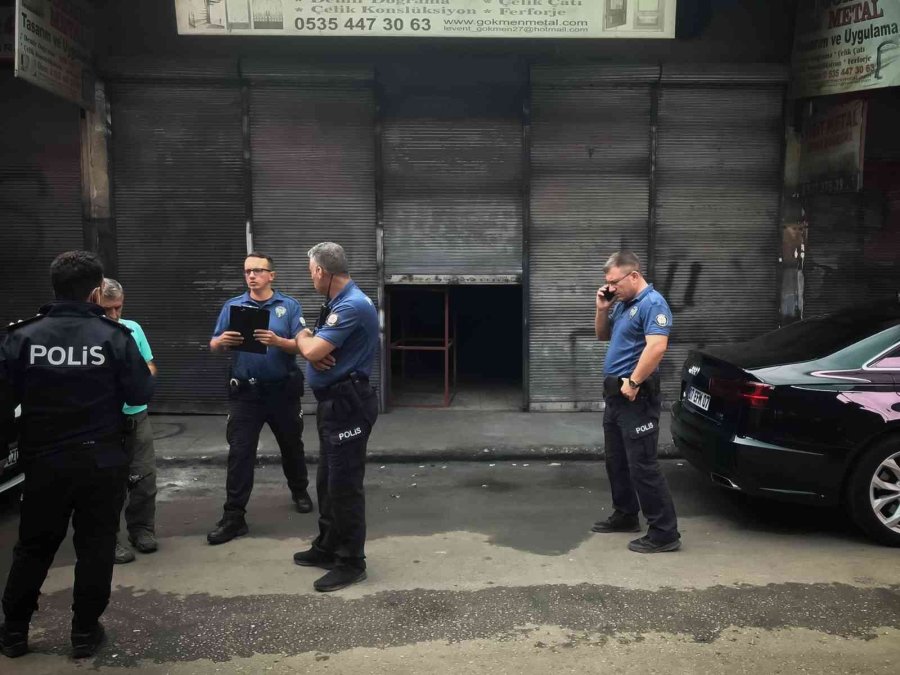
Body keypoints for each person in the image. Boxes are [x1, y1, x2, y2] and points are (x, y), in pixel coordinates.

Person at [0, 251, 154, 659]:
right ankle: (84, 633)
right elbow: (141, 392)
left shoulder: (21, 337)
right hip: (100, 461)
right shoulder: (114, 336)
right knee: (96, 547)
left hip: (44, 462)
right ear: (96, 292)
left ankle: (13, 633)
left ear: (55, 286)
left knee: (33, 547)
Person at [206, 252, 312, 546]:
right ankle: (234, 516)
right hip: (246, 395)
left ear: (271, 275)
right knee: (240, 454)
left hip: (282, 392)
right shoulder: (233, 306)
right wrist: (221, 342)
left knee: (292, 445)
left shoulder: (289, 306)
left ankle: (299, 490)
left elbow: (303, 346)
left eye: (258, 270)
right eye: (247, 271)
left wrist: (278, 342)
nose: (252, 275)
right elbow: (214, 344)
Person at [292, 242, 379, 592]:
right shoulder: (338, 302)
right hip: (334, 404)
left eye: (310, 272)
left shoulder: (351, 305)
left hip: (347, 406)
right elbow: (315, 350)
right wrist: (311, 348)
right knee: (328, 481)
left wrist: (303, 337)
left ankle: (351, 562)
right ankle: (328, 546)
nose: (310, 278)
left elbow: (313, 347)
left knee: (344, 486)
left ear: (320, 271)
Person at [591, 251, 681, 553]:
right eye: (608, 283)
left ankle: (664, 533)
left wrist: (634, 382)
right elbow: (602, 335)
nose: (611, 288)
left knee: (643, 464)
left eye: (615, 282)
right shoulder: (622, 304)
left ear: (633, 275)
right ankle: (626, 514)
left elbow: (657, 347)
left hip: (636, 396)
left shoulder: (652, 303)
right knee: (616, 460)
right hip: (616, 396)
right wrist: (602, 309)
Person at [97, 278, 159, 564]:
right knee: (106, 484)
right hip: (103, 420)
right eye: (106, 309)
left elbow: (150, 365)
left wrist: (138, 378)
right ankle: (107, 540)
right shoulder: (90, 334)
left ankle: (142, 529)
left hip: (136, 414)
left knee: (144, 477)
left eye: (118, 308)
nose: (113, 314)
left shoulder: (133, 328)